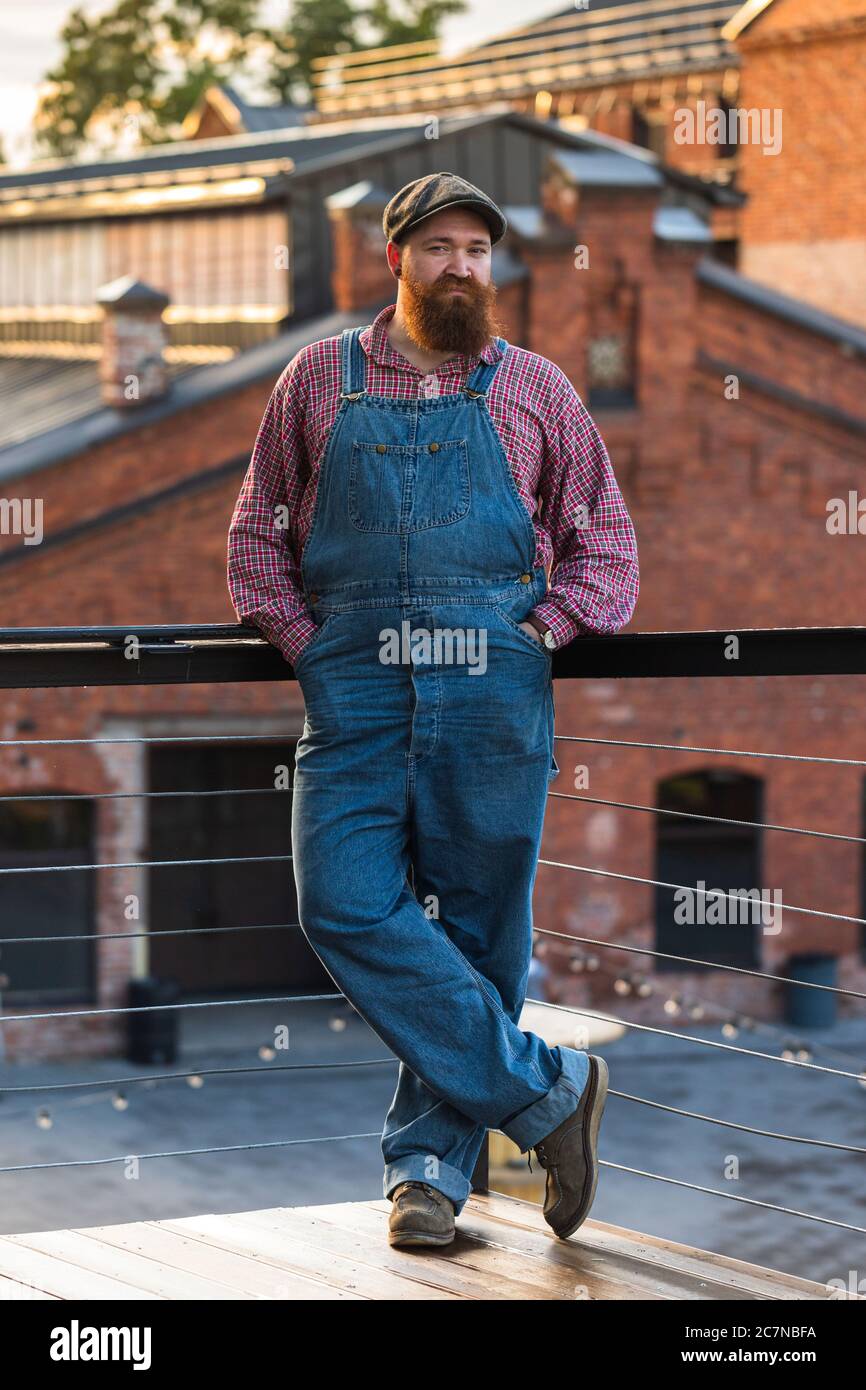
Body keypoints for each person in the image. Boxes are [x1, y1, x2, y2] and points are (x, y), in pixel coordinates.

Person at [227, 171, 639, 1248]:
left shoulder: (538, 388)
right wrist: (314, 651)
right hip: (353, 694)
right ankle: (548, 1093)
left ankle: (427, 1174)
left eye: (476, 250)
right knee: (343, 904)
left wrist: (542, 633)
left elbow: (605, 540)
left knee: (483, 937)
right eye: (439, 247)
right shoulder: (318, 380)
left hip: (489, 695)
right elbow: (254, 539)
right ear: (394, 259)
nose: (461, 266)